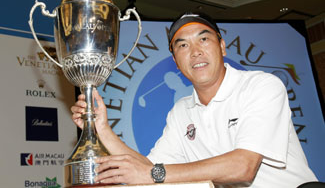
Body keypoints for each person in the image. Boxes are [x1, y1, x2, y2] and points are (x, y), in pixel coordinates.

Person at [71, 12, 318, 187]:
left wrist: (152, 173)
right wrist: (102, 129)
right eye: (183, 45)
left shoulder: (261, 86)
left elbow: (243, 167)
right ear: (176, 62)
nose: (196, 51)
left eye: (204, 39)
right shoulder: (181, 111)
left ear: (222, 46)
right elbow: (149, 166)